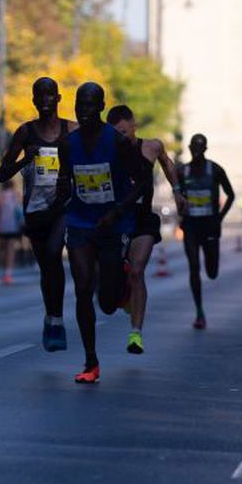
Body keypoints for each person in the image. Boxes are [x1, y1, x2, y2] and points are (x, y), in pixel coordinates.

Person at [62, 82, 152, 385]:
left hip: (114, 224)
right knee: (83, 288)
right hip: (80, 222)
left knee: (108, 303)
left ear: (101, 108)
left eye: (90, 105)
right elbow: (65, 182)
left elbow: (141, 180)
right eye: (79, 104)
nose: (83, 111)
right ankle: (90, 361)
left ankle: (121, 287)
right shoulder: (68, 143)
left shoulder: (117, 141)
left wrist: (117, 211)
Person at [0, 77, 74, 350]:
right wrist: (23, 161)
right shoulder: (25, 133)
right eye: (39, 95)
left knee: (54, 254)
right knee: (47, 267)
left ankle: (58, 319)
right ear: (33, 100)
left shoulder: (71, 130)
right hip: (36, 209)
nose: (45, 100)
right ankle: (51, 317)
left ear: (58, 98)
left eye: (50, 95)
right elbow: (1, 174)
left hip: (63, 206)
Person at [105, 104, 185, 353]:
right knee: (113, 280)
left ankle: (135, 333)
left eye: (125, 133)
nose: (122, 139)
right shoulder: (107, 150)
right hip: (115, 219)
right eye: (116, 134)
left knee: (137, 270)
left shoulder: (151, 146)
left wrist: (177, 192)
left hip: (141, 220)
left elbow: (167, 163)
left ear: (134, 125)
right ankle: (126, 293)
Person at [177, 134, 235, 329]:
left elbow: (231, 195)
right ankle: (199, 312)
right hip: (191, 225)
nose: (197, 150)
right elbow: (176, 193)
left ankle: (212, 265)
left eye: (200, 147)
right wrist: (180, 206)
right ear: (189, 148)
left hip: (210, 225)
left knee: (212, 272)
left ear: (206, 149)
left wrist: (220, 217)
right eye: (194, 147)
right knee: (194, 267)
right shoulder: (182, 171)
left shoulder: (216, 170)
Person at [0, 179, 24, 286]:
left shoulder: (0, 196)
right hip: (13, 226)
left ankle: (4, 270)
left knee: (3, 248)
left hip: (2, 226)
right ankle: (8, 273)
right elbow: (24, 205)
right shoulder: (16, 195)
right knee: (10, 248)